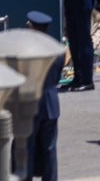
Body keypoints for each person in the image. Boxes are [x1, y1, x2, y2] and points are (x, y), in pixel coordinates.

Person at [24, 10, 61, 181]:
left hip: (31, 104)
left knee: (26, 149)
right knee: (50, 149)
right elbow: (57, 77)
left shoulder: (26, 51)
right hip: (51, 104)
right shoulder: (59, 50)